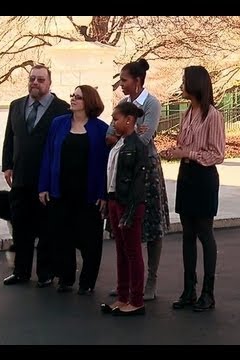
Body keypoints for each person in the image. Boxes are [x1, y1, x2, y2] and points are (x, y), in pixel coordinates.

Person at [160, 65, 225, 312]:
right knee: (187, 233)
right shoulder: (188, 112)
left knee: (204, 233)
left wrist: (188, 152)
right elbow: (185, 145)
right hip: (186, 174)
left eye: (184, 79)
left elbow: (218, 154)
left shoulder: (213, 116)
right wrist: (176, 152)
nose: (181, 84)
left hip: (204, 177)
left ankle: (208, 293)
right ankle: (189, 289)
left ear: (195, 83)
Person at [106, 58, 170, 301]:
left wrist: (124, 135)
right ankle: (128, 281)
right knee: (124, 226)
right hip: (123, 169)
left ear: (137, 80)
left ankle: (151, 279)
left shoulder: (152, 103)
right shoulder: (123, 104)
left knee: (152, 226)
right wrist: (129, 133)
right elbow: (109, 135)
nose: (121, 84)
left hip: (146, 170)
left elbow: (143, 141)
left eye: (124, 80)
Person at [1, 64, 70, 287]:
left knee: (46, 228)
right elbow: (9, 138)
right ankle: (21, 271)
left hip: (46, 179)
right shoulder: (17, 106)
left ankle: (46, 272)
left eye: (41, 79)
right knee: (21, 228)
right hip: (20, 177)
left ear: (49, 83)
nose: (35, 83)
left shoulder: (61, 109)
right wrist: (7, 165)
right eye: (32, 79)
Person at [38, 85, 109, 295]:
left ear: (89, 102)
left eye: (78, 97)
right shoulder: (58, 124)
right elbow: (48, 156)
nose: (73, 99)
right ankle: (65, 278)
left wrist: (104, 194)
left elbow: (106, 165)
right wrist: (43, 186)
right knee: (62, 236)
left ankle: (87, 282)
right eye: (72, 96)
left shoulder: (101, 129)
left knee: (91, 240)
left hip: (89, 193)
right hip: (61, 190)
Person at [100, 102, 148, 316]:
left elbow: (139, 183)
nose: (113, 122)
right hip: (114, 200)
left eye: (116, 118)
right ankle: (122, 296)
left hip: (128, 204)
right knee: (121, 251)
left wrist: (129, 211)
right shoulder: (119, 144)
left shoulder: (137, 147)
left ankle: (136, 300)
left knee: (132, 252)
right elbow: (112, 174)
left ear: (129, 120)